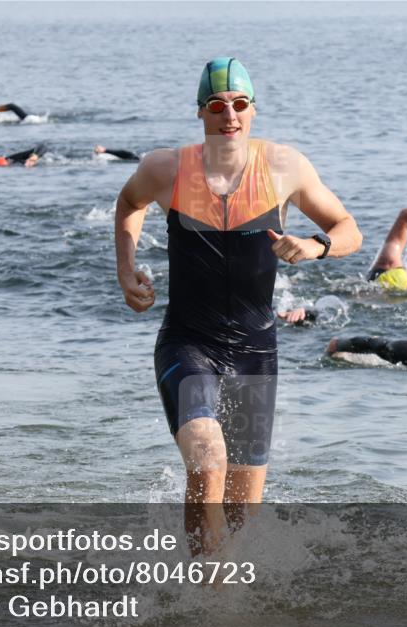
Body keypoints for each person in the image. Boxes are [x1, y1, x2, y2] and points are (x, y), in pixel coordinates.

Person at [113, 57, 362, 554]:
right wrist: (126, 269)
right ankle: (208, 604)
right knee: (207, 457)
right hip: (188, 342)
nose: (230, 115)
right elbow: (129, 205)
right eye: (217, 105)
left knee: (240, 516)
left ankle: (219, 606)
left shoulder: (285, 166)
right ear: (201, 113)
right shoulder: (166, 169)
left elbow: (348, 229)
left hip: (255, 351)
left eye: (240, 104)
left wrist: (315, 246)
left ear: (253, 111)